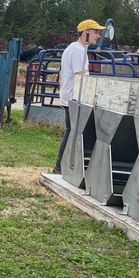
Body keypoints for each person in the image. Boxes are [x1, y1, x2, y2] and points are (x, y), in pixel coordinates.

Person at [52, 18, 106, 175]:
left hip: (71, 96)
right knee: (71, 131)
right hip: (74, 97)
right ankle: (59, 167)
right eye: (96, 32)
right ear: (85, 32)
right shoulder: (77, 51)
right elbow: (80, 77)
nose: (98, 35)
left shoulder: (77, 49)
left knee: (72, 131)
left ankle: (65, 167)